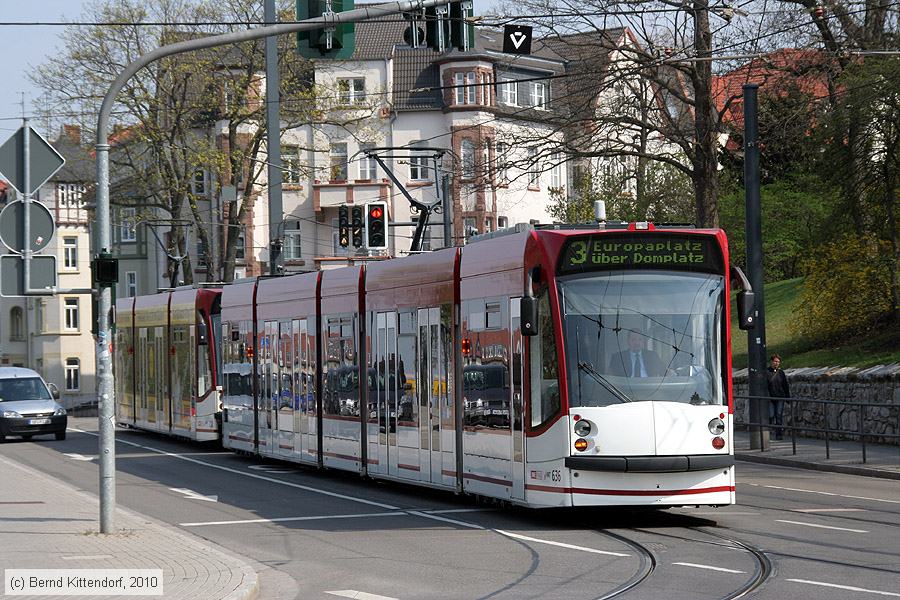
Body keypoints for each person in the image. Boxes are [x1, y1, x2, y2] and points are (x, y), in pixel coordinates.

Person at [766, 354, 791, 440]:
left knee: (779, 415)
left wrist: (788, 397)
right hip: (770, 398)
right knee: (771, 415)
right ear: (771, 362)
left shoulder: (781, 373)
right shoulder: (766, 372)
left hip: (780, 397)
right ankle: (767, 431)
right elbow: (764, 386)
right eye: (775, 361)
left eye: (778, 362)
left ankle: (779, 434)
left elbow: (785, 385)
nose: (776, 363)